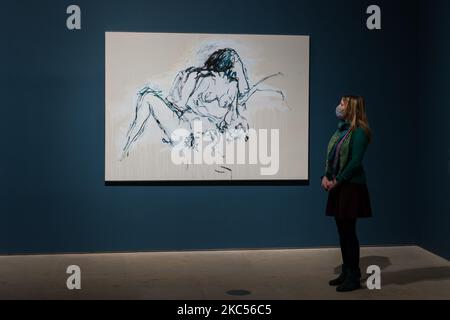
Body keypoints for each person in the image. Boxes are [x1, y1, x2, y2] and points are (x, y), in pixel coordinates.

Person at [321, 95, 373, 292]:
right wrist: (326, 176)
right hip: (339, 186)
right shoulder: (341, 130)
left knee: (349, 232)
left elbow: (355, 162)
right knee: (342, 231)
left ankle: (354, 276)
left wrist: (338, 180)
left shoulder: (360, 132)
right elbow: (332, 156)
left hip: (351, 187)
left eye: (343, 103)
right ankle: (346, 270)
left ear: (351, 107)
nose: (339, 106)